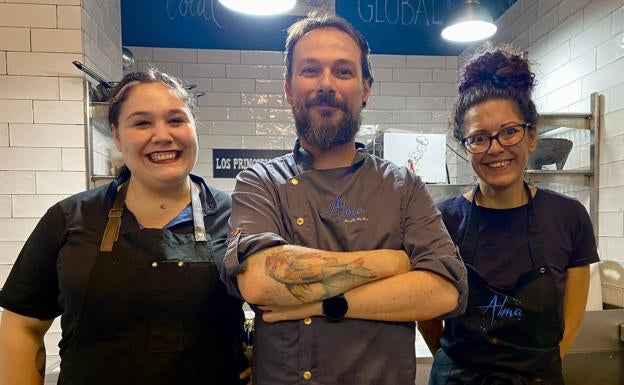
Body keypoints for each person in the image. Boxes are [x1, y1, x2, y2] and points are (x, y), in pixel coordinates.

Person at [222, 13, 468, 385]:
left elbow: (444, 292)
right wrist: (392, 262)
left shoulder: (403, 186)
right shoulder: (260, 182)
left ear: (365, 88)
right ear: (288, 88)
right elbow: (259, 281)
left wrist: (324, 303)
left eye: (343, 71)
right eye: (310, 70)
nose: (326, 84)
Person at [0, 69, 249, 385]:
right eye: (142, 122)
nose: (162, 135)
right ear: (116, 136)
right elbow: (23, 325)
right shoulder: (69, 218)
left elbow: (279, 313)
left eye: (176, 120)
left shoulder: (239, 217)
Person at [418, 48, 599, 385]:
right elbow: (428, 320)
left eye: (509, 132)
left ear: (531, 137)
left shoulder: (569, 217)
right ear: (465, 146)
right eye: (479, 138)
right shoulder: (441, 221)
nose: (496, 148)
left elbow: (571, 321)